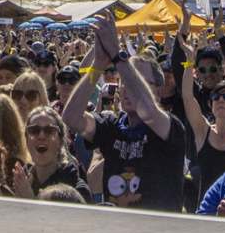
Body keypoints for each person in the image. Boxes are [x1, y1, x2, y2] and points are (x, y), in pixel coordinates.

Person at [64, 19, 189, 212]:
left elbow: (148, 112)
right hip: (119, 232)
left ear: (157, 90)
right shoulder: (111, 125)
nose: (128, 87)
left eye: (137, 82)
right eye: (125, 81)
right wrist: (97, 65)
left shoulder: (170, 126)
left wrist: (117, 55)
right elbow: (71, 117)